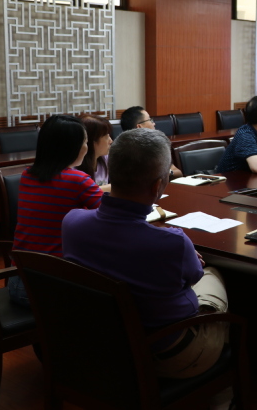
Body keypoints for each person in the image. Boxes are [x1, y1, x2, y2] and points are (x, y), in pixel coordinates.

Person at [62, 129, 234, 398]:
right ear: (158, 185)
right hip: (170, 354)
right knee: (213, 274)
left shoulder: (71, 222)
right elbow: (194, 277)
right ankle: (223, 398)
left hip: (101, 346)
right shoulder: (173, 243)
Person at [9, 114, 103, 306]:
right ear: (71, 146)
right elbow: (114, 214)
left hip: (17, 282)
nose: (87, 147)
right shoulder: (78, 180)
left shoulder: (27, 175)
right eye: (85, 141)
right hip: (51, 287)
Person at [121, 105, 183, 179]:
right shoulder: (125, 153)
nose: (154, 123)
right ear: (139, 127)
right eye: (150, 120)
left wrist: (166, 172)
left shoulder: (157, 146)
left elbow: (179, 173)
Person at [77, 114, 112, 192]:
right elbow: (83, 192)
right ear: (92, 141)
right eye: (106, 137)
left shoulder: (106, 159)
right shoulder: (74, 166)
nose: (111, 141)